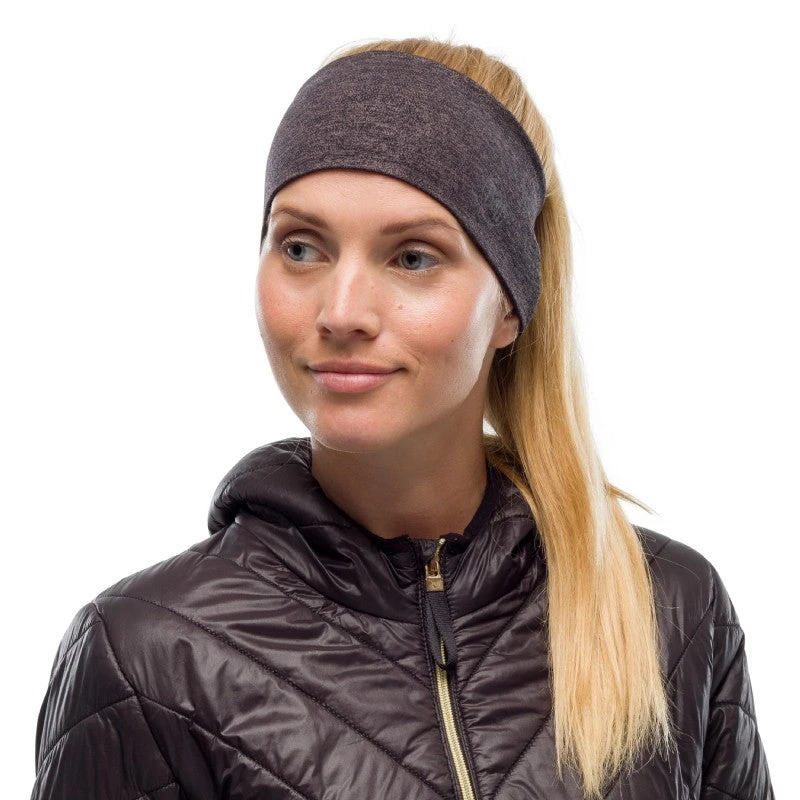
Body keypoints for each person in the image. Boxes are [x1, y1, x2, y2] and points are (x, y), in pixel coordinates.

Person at [30, 37, 775, 800]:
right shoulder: (146, 659)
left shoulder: (670, 611)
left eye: (412, 258)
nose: (342, 311)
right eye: (301, 248)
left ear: (510, 305)